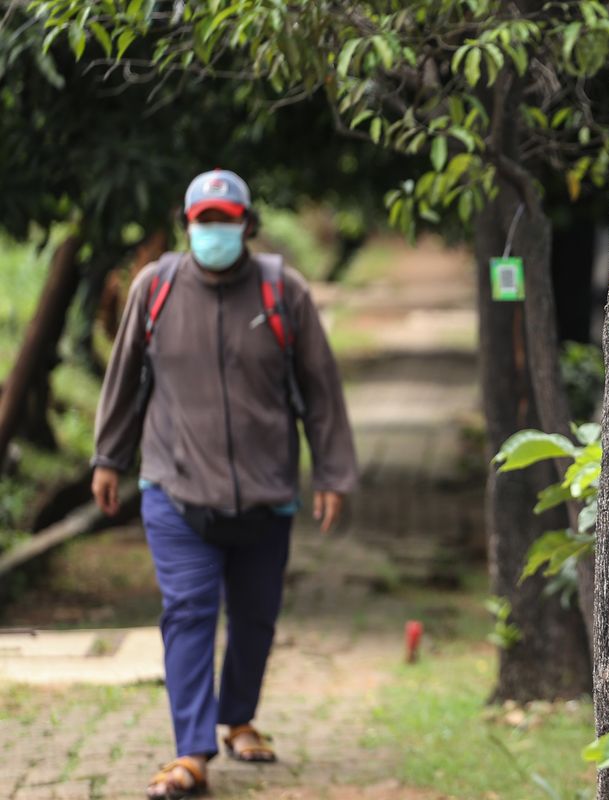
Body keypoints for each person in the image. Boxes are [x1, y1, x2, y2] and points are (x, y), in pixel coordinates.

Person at [90, 169, 358, 799]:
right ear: (188, 226)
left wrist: (333, 472)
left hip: (267, 491)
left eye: (225, 220)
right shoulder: (155, 287)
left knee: (257, 616)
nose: (213, 230)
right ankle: (191, 754)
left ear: (246, 224)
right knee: (187, 612)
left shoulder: (281, 290)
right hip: (175, 487)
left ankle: (238, 717)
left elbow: (321, 388)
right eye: (203, 220)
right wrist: (109, 458)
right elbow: (125, 377)